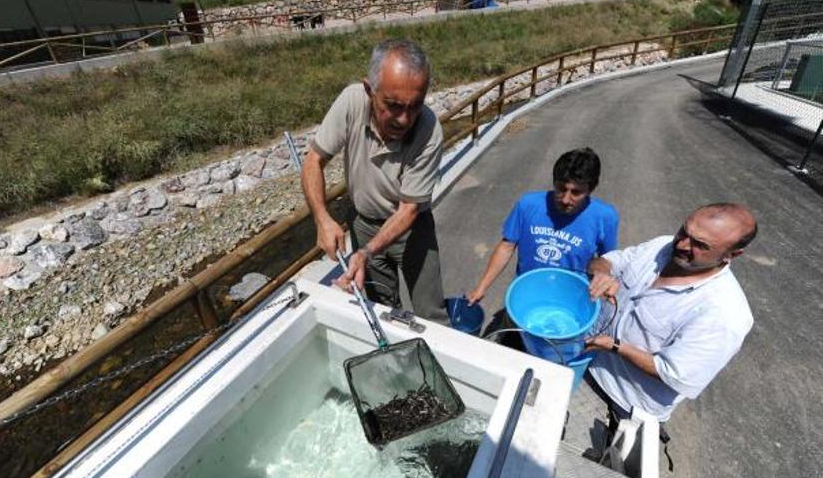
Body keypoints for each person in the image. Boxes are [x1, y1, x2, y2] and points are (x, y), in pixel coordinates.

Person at [300, 39, 448, 322]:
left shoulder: (429, 131)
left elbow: (408, 209)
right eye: (392, 106)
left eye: (414, 106)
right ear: (369, 90)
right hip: (363, 223)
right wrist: (322, 218)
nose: (404, 120)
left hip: (412, 228)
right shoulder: (352, 101)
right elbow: (313, 160)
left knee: (431, 312)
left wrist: (365, 253)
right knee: (381, 305)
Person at [584, 203, 757, 423]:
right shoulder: (663, 245)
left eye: (700, 245)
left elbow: (674, 375)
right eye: (684, 231)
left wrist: (614, 346)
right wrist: (601, 273)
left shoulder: (725, 313)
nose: (682, 244)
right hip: (586, 360)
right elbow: (608, 261)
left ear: (732, 254)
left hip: (623, 403)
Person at [467, 147, 619, 306]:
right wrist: (481, 287)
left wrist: (603, 277)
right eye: (561, 189)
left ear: (591, 189)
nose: (566, 199)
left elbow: (607, 260)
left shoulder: (605, 217)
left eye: (576, 192)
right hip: (527, 293)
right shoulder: (528, 205)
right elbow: (507, 246)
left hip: (571, 299)